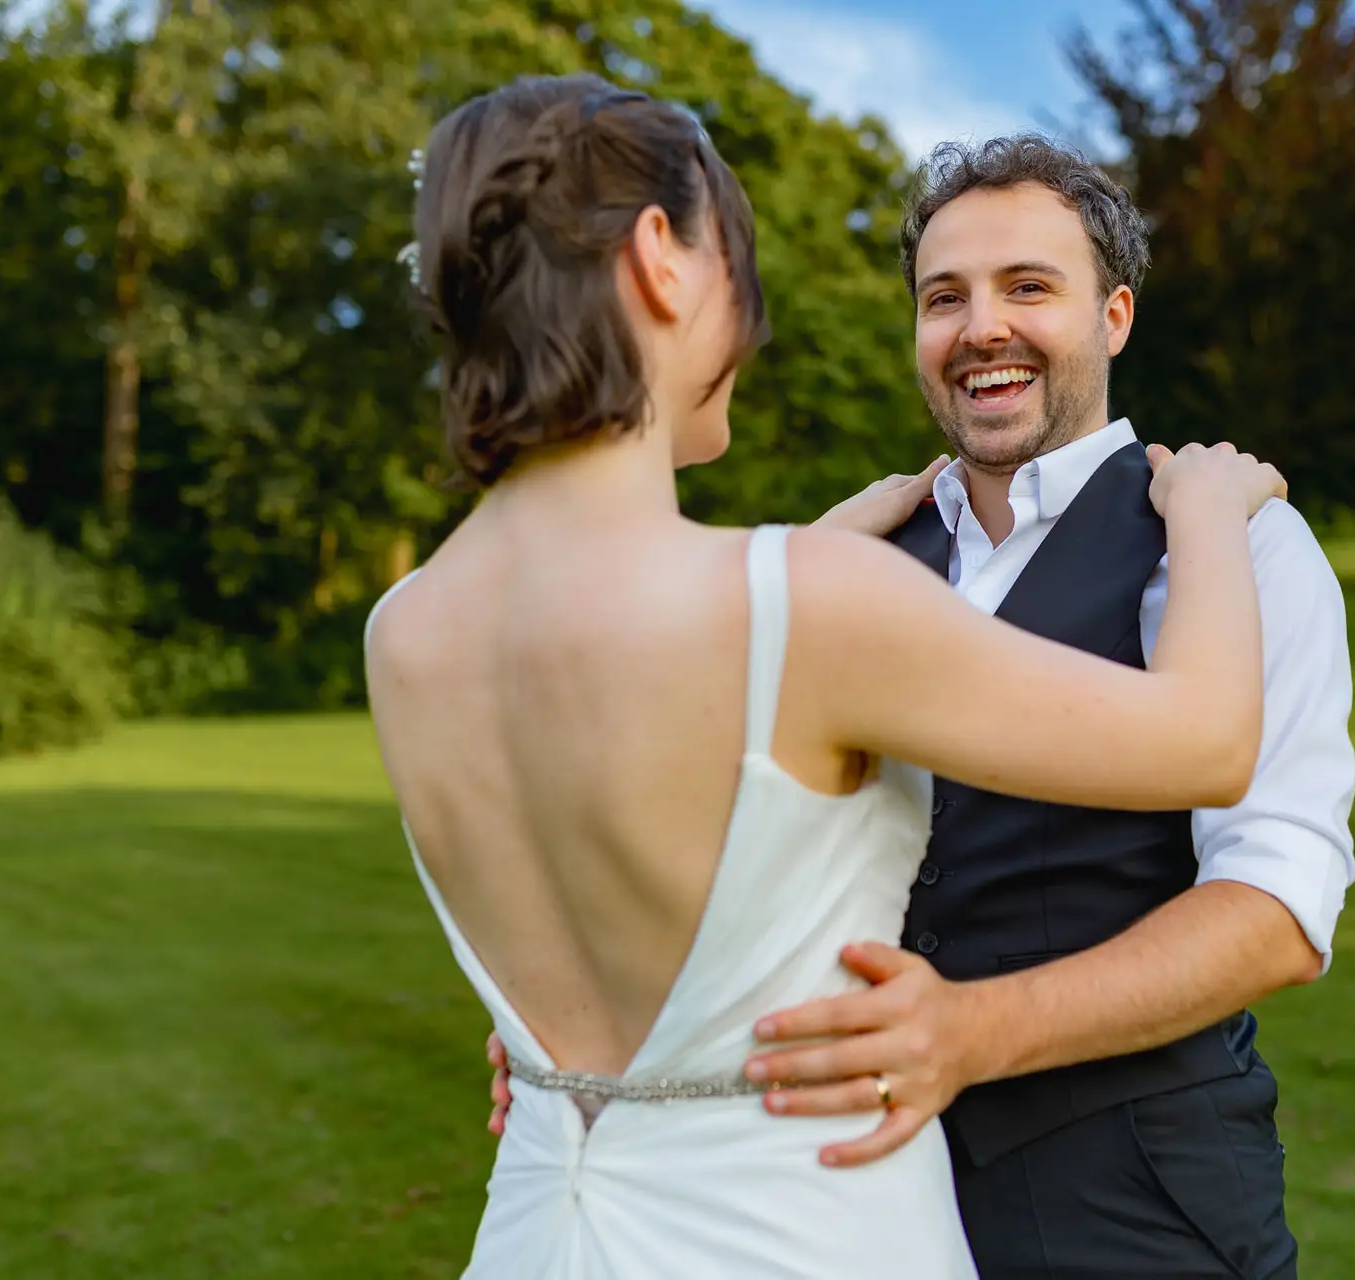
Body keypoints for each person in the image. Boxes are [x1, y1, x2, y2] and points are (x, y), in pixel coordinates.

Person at [366, 75, 1287, 1280]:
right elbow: (1210, 739)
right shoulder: (811, 601)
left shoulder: (405, 629)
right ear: (661, 258)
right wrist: (1212, 512)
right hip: (804, 1228)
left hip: (545, 1222)